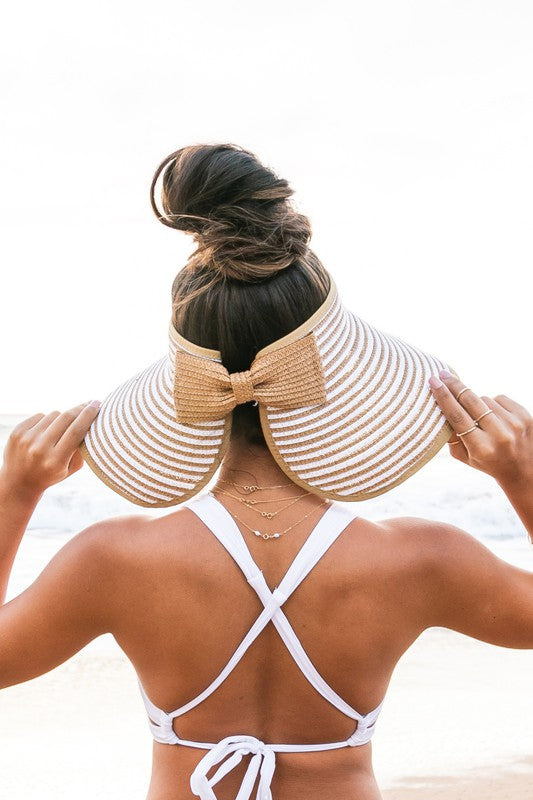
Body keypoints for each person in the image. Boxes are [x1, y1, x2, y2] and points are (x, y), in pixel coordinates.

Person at [1, 144, 532, 800]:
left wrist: (14, 494)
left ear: (185, 383)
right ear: (336, 372)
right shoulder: (423, 558)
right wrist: (521, 479)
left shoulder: (111, 560)